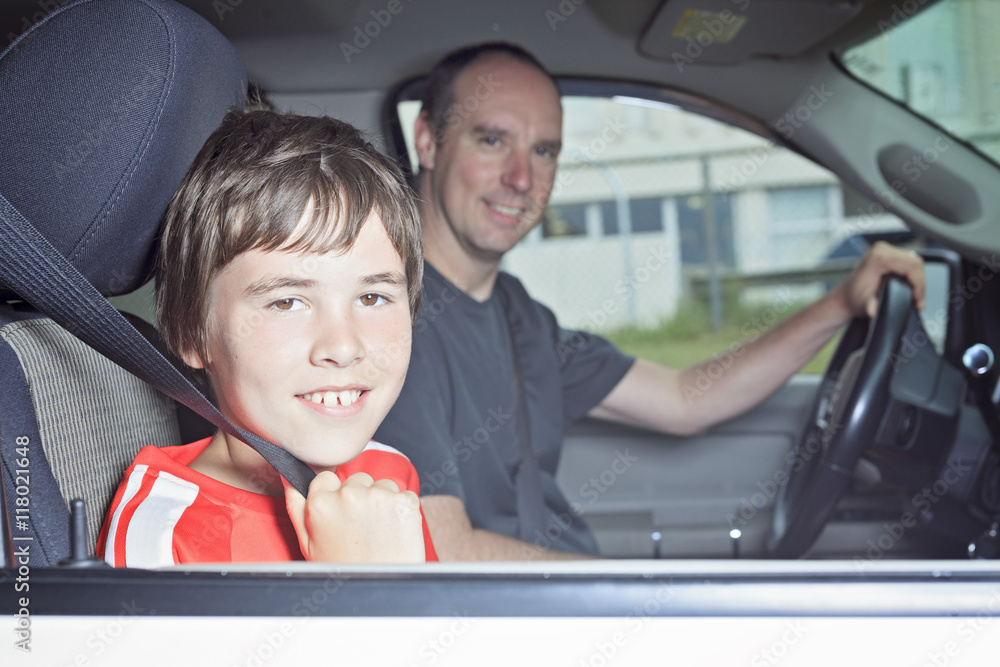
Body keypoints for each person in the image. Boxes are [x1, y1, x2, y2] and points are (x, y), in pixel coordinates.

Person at [374, 42, 926, 561]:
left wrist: (840, 305)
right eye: (491, 140)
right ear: (427, 140)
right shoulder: (388, 323)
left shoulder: (518, 313)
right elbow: (447, 554)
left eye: (544, 150)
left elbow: (686, 400)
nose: (522, 177)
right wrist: (634, 593)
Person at [97, 109, 436, 566]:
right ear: (191, 333)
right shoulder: (161, 540)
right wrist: (361, 584)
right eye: (286, 303)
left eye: (373, 297)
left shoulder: (385, 475)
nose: (344, 346)